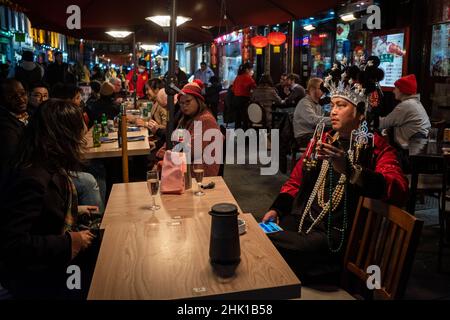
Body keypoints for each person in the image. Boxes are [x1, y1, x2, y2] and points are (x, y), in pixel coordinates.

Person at [262, 65, 408, 283]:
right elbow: (296, 179)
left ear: (360, 112)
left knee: (265, 245)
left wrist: (350, 170)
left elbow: (397, 187)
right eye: (332, 105)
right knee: (261, 234)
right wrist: (277, 207)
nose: (333, 111)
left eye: (341, 105)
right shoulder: (324, 139)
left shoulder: (375, 147)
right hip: (303, 219)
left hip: (334, 236)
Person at [0, 99, 96, 299]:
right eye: (80, 129)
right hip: (40, 279)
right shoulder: (33, 178)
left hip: (50, 266)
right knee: (102, 280)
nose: (83, 135)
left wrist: (74, 210)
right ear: (64, 135)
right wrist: (71, 241)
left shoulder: (46, 164)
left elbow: (41, 215)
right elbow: (12, 244)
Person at [157, 80, 221, 177]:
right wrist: (163, 153)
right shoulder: (185, 119)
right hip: (185, 168)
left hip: (200, 174)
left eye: (188, 101)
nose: (184, 106)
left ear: (198, 100)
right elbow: (172, 141)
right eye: (181, 103)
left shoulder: (206, 120)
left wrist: (165, 155)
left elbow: (189, 152)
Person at [379, 74, 431, 148]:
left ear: (402, 90)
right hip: (418, 147)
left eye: (395, 88)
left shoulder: (407, 105)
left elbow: (384, 123)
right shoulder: (414, 103)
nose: (393, 91)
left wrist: (366, 119)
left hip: (411, 150)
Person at [0, 80, 28, 180]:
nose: (21, 99)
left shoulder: (26, 114)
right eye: (12, 97)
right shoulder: (6, 129)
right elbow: (13, 163)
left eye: (23, 93)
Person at [293, 77, 331, 148]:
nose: (323, 91)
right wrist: (334, 120)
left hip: (313, 133)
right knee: (331, 143)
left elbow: (324, 114)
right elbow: (314, 120)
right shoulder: (305, 103)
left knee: (335, 136)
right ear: (312, 89)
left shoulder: (316, 103)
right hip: (304, 137)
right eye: (321, 89)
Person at [232, 62, 256, 129]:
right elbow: (255, 89)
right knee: (245, 118)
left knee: (237, 118)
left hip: (236, 99)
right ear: (247, 70)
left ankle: (238, 133)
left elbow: (233, 89)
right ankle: (245, 134)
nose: (252, 71)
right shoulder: (248, 78)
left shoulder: (238, 77)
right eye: (251, 69)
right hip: (244, 100)